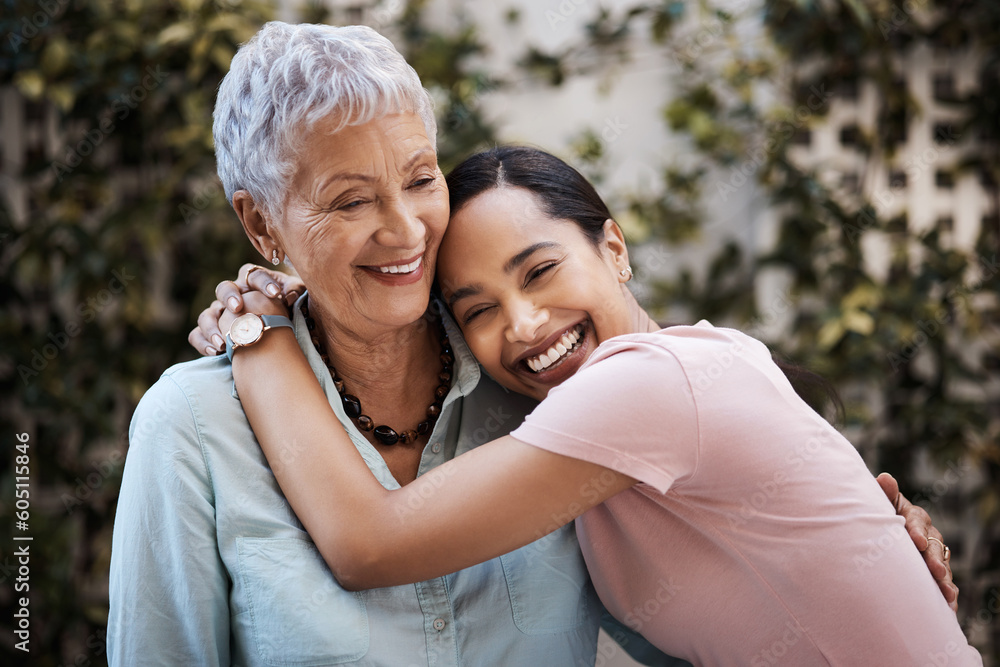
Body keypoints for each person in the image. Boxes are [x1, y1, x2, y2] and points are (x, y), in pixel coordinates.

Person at [204, 146, 980, 665]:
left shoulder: (650, 384)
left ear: (614, 248)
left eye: (539, 270)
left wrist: (261, 332)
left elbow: (368, 544)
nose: (524, 323)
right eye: (478, 310)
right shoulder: (570, 441)